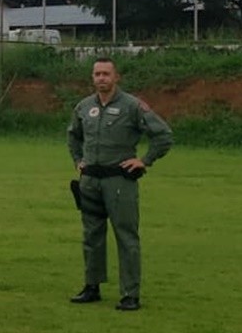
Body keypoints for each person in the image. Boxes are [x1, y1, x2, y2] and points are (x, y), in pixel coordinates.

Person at [67, 57, 173, 311]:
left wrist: (144, 160)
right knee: (91, 235)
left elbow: (163, 135)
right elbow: (73, 135)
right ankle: (92, 286)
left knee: (126, 236)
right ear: (92, 78)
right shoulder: (84, 107)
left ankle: (130, 294)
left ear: (116, 77)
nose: (101, 78)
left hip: (119, 180)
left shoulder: (132, 106)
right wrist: (78, 160)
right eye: (97, 74)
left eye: (106, 74)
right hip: (90, 180)